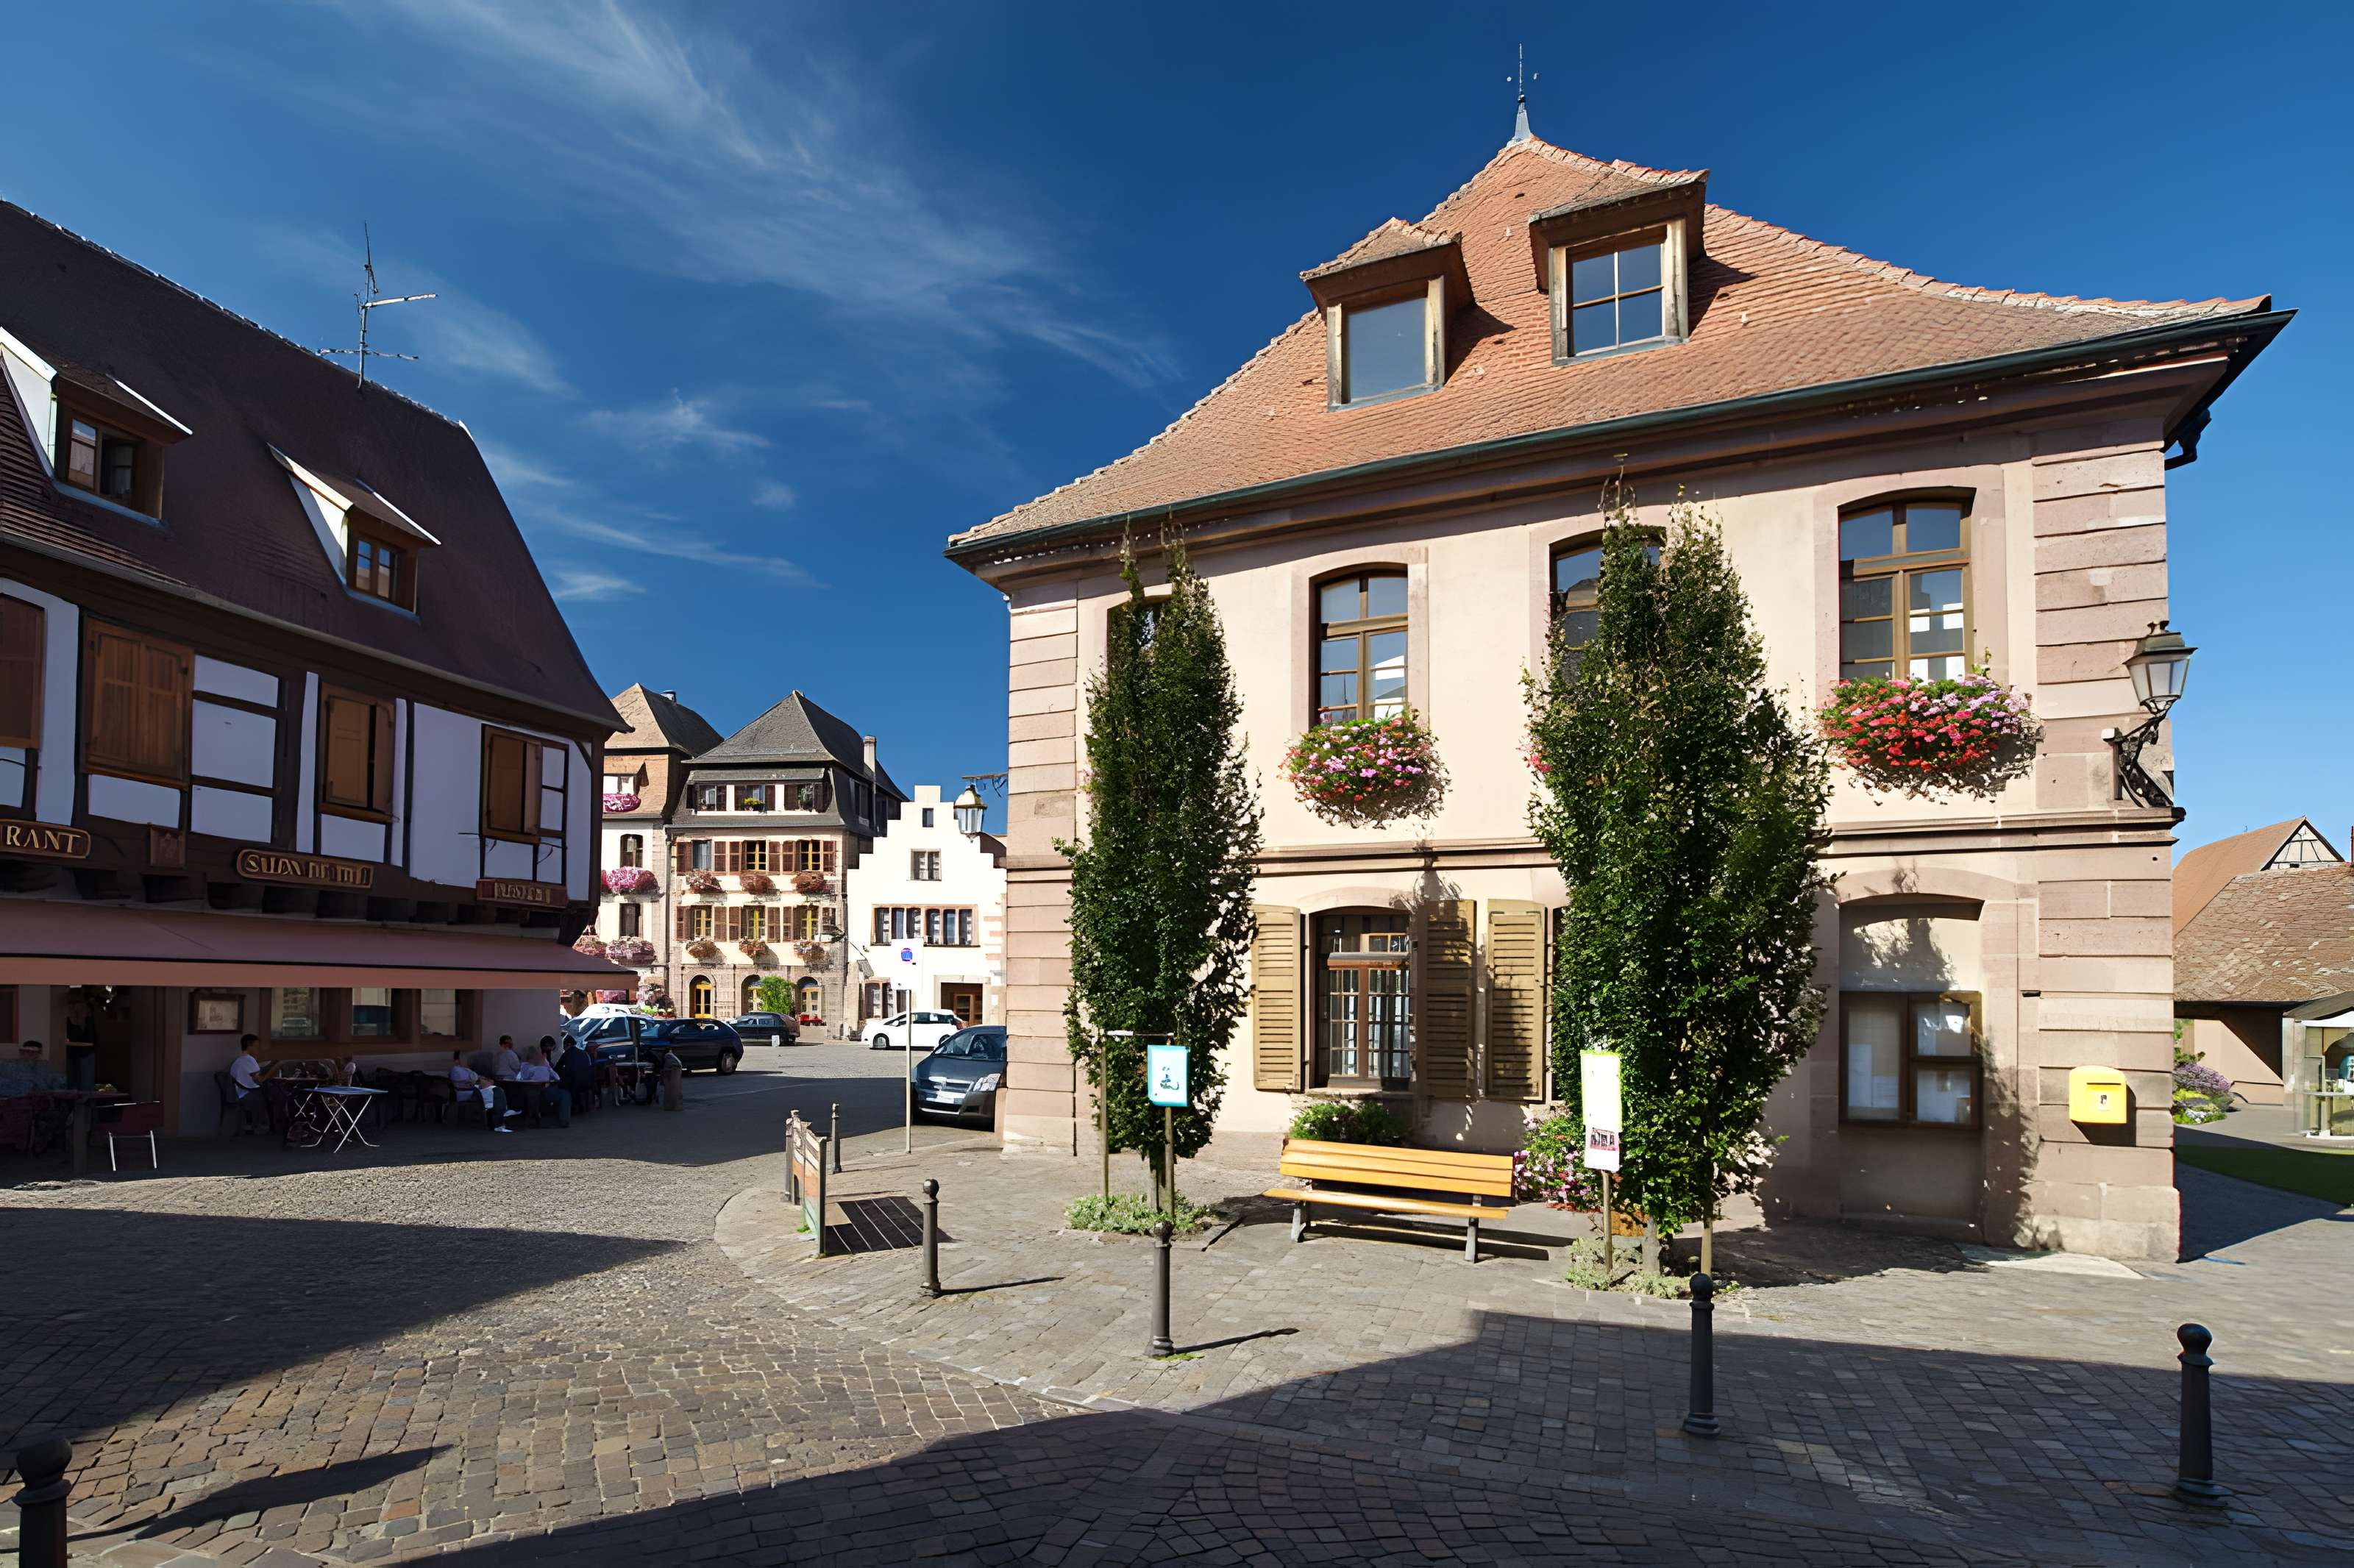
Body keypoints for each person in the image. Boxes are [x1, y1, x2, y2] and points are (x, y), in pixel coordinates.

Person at [449, 1051, 513, 1133]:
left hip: (474, 1091)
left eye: (466, 1058)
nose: (466, 1060)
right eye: (463, 1058)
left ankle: (499, 1117)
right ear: (457, 1060)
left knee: (497, 1091)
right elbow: (473, 1079)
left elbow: (475, 1078)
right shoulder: (456, 1070)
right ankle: (496, 1120)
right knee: (495, 1092)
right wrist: (479, 1079)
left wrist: (481, 1079)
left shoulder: (466, 1069)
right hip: (466, 1093)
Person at [514, 1042, 571, 1127]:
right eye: (539, 1053)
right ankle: (559, 1121)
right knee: (563, 1095)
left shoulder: (541, 1065)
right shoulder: (526, 1067)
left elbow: (557, 1077)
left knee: (564, 1094)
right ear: (534, 1056)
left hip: (542, 1091)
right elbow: (535, 1078)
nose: (541, 1055)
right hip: (536, 1092)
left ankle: (562, 1120)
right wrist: (542, 1065)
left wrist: (547, 1065)